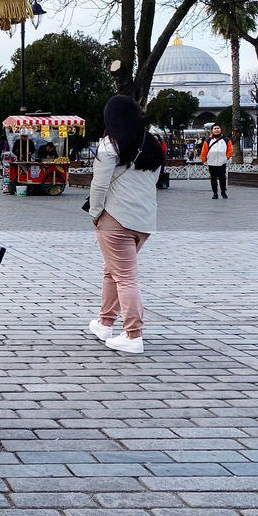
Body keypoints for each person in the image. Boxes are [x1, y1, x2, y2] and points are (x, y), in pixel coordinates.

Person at [85, 95, 164, 355]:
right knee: (114, 271)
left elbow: (99, 185)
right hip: (144, 220)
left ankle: (133, 335)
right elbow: (153, 181)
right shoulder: (152, 144)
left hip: (115, 218)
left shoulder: (110, 146)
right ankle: (105, 323)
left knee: (125, 277)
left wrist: (95, 214)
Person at [200, 123, 232, 199]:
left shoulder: (226, 140)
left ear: (221, 130)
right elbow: (204, 151)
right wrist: (204, 160)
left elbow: (230, 150)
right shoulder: (208, 140)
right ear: (212, 131)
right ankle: (215, 193)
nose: (217, 130)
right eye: (215, 129)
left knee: (222, 178)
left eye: (218, 128)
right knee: (213, 179)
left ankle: (223, 192)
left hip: (222, 162)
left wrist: (226, 157)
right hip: (211, 162)